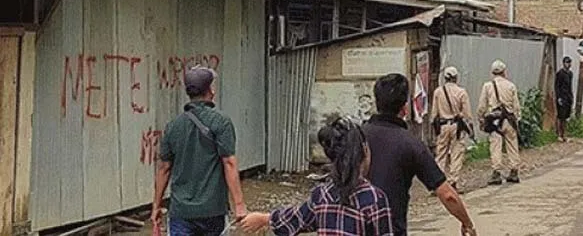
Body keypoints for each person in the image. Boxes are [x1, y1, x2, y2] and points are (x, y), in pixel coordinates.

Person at [363, 74, 476, 236]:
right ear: (405, 107)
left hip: (350, 228)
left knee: (441, 154)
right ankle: (455, 177)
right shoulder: (411, 144)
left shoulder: (356, 137)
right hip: (390, 229)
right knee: (455, 155)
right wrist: (467, 223)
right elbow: (448, 195)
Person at [240, 119, 393, 235]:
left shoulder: (322, 195)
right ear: (364, 150)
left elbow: (296, 218)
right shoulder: (374, 199)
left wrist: (264, 218)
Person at [152, 67, 247, 236]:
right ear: (210, 90)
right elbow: (229, 163)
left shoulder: (173, 126)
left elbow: (164, 169)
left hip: (181, 212)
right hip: (213, 211)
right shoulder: (221, 122)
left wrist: (156, 207)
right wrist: (239, 205)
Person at [478, 60, 522, 186]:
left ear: (492, 72)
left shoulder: (487, 86)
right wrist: (517, 119)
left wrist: (481, 118)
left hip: (494, 121)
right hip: (509, 119)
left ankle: (496, 173)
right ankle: (514, 171)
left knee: (495, 146)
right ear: (504, 72)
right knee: (512, 145)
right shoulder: (511, 86)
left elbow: (482, 106)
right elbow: (516, 106)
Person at [431, 66, 474, 192]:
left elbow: (434, 114)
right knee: (456, 153)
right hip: (457, 127)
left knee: (441, 154)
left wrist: (435, 128)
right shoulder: (461, 92)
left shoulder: (438, 92)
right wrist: (470, 127)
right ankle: (453, 181)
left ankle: (438, 183)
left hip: (443, 126)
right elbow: (467, 114)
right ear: (456, 78)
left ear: (445, 78)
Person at [555, 56, 575, 142]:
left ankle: (564, 134)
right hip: (561, 97)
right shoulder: (560, 73)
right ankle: (559, 134)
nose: (568, 64)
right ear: (563, 63)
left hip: (568, 97)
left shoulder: (570, 74)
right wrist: (558, 97)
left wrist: (571, 97)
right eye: (567, 62)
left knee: (566, 116)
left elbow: (570, 86)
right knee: (561, 116)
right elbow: (557, 86)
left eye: (569, 62)